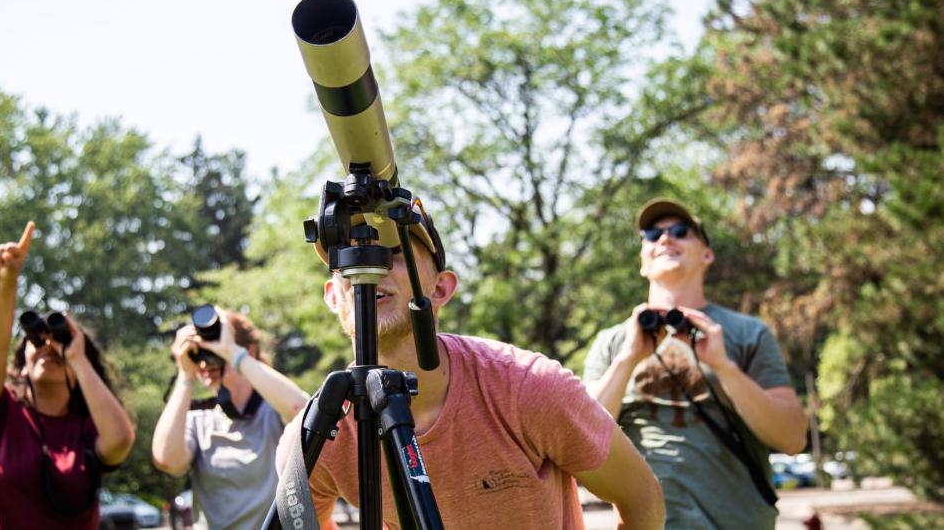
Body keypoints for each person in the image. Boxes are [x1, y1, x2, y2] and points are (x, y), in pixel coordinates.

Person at [276, 201, 665, 529]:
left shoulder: (528, 387)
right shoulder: (318, 436)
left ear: (441, 288)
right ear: (332, 296)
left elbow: (640, 496)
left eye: (392, 252)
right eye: (348, 258)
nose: (368, 269)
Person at [583, 198, 809, 529]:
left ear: (707, 255)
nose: (664, 239)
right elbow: (580, 441)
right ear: (642, 262)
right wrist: (627, 360)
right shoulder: (613, 343)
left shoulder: (748, 334)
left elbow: (792, 439)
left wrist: (724, 367)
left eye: (680, 231)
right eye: (651, 234)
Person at [0, 222, 136, 529]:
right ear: (22, 361)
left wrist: (77, 358)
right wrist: (6, 281)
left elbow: (120, 440)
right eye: (36, 341)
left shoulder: (86, 429)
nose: (47, 347)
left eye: (57, 341)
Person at [151, 307, 310, 530]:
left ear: (250, 352)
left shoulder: (273, 410)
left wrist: (233, 354)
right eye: (202, 353)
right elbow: (167, 459)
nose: (207, 363)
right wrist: (185, 375)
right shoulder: (199, 420)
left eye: (216, 353)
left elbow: (301, 411)